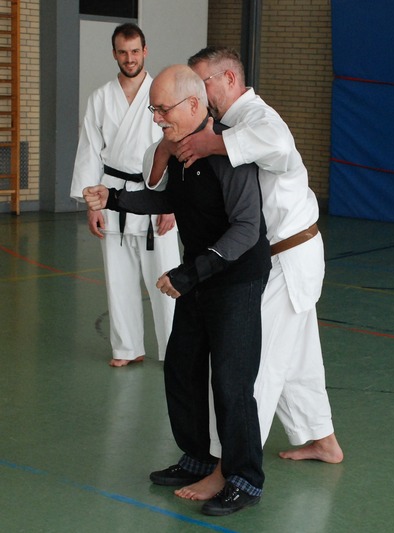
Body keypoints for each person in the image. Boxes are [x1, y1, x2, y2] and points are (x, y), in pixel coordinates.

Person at [83, 64, 271, 517]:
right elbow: (172, 199)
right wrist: (115, 198)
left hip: (237, 278)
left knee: (231, 382)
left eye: (162, 109)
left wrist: (191, 273)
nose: (156, 118)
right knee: (181, 368)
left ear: (192, 105)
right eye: (153, 109)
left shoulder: (228, 151)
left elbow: (247, 228)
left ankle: (245, 477)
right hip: (201, 277)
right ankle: (196, 458)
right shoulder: (180, 149)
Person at [162, 46, 343, 501]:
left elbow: (279, 147)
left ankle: (227, 468)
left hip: (287, 255)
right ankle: (323, 439)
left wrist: (214, 144)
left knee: (250, 367)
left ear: (228, 78)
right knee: (298, 359)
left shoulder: (258, 118)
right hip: (286, 253)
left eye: (203, 82)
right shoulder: (224, 123)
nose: (199, 92)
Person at [70, 23, 180, 367]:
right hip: (112, 195)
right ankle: (127, 348)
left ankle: (175, 350)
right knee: (119, 280)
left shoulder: (162, 94)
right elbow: (90, 150)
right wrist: (91, 205)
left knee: (167, 278)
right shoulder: (101, 98)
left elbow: (176, 145)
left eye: (134, 51)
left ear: (145, 51)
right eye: (122, 52)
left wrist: (173, 204)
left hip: (156, 195)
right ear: (114, 53)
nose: (129, 58)